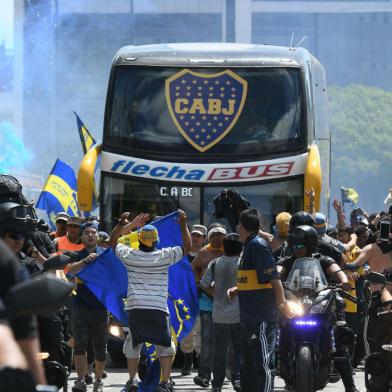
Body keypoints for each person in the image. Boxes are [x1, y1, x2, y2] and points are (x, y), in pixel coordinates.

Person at [109, 210, 191, 392]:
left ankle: (132, 380)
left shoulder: (130, 256)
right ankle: (166, 382)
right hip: (158, 309)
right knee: (165, 346)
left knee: (133, 344)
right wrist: (183, 223)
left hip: (135, 308)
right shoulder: (164, 256)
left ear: (139, 241)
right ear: (156, 240)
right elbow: (187, 246)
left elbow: (112, 241)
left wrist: (123, 224)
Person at [277, 225, 359, 392]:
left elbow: (336, 270)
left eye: (300, 246)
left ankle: (350, 387)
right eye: (293, 246)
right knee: (276, 329)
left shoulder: (323, 259)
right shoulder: (287, 260)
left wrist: (343, 280)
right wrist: (275, 277)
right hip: (296, 304)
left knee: (339, 333)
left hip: (319, 303)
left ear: (310, 244)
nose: (296, 249)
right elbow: (278, 271)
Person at [227, 208, 293, 392]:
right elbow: (253, 278)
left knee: (264, 365)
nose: (237, 229)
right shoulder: (249, 245)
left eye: (239, 226)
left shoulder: (258, 246)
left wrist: (282, 303)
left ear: (242, 227)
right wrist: (237, 289)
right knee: (250, 365)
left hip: (261, 316)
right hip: (249, 317)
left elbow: (273, 278)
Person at [0, 231, 46, 387]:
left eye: (23, 236)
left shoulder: (8, 262)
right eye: (15, 235)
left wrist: (40, 385)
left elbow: (24, 328)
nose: (20, 241)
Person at [67, 222, 109, 392]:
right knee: (79, 346)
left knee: (100, 348)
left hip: (100, 307)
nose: (90, 235)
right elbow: (69, 273)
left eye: (93, 232)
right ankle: (80, 380)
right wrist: (85, 261)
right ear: (82, 237)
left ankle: (98, 381)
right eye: (86, 233)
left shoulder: (106, 255)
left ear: (98, 237)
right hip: (80, 306)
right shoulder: (76, 255)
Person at [200, 233, 243, 392]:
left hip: (218, 314)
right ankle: (237, 379)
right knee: (238, 350)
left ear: (224, 247)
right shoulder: (242, 263)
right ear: (241, 248)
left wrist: (214, 293)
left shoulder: (214, 263)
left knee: (220, 351)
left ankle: (217, 384)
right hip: (238, 315)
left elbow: (203, 283)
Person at [192, 223, 227, 388]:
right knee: (207, 341)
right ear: (210, 237)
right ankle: (204, 375)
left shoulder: (230, 251)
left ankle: (230, 374)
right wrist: (200, 286)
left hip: (228, 304)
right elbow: (194, 271)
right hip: (207, 304)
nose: (218, 237)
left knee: (228, 341)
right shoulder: (203, 252)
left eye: (221, 234)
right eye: (215, 234)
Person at [180, 224, 207, 377]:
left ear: (204, 238)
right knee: (187, 332)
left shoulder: (208, 253)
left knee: (202, 332)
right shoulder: (182, 253)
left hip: (203, 297)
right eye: (193, 235)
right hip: (186, 298)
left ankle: (201, 363)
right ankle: (187, 361)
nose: (195, 238)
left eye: (199, 235)